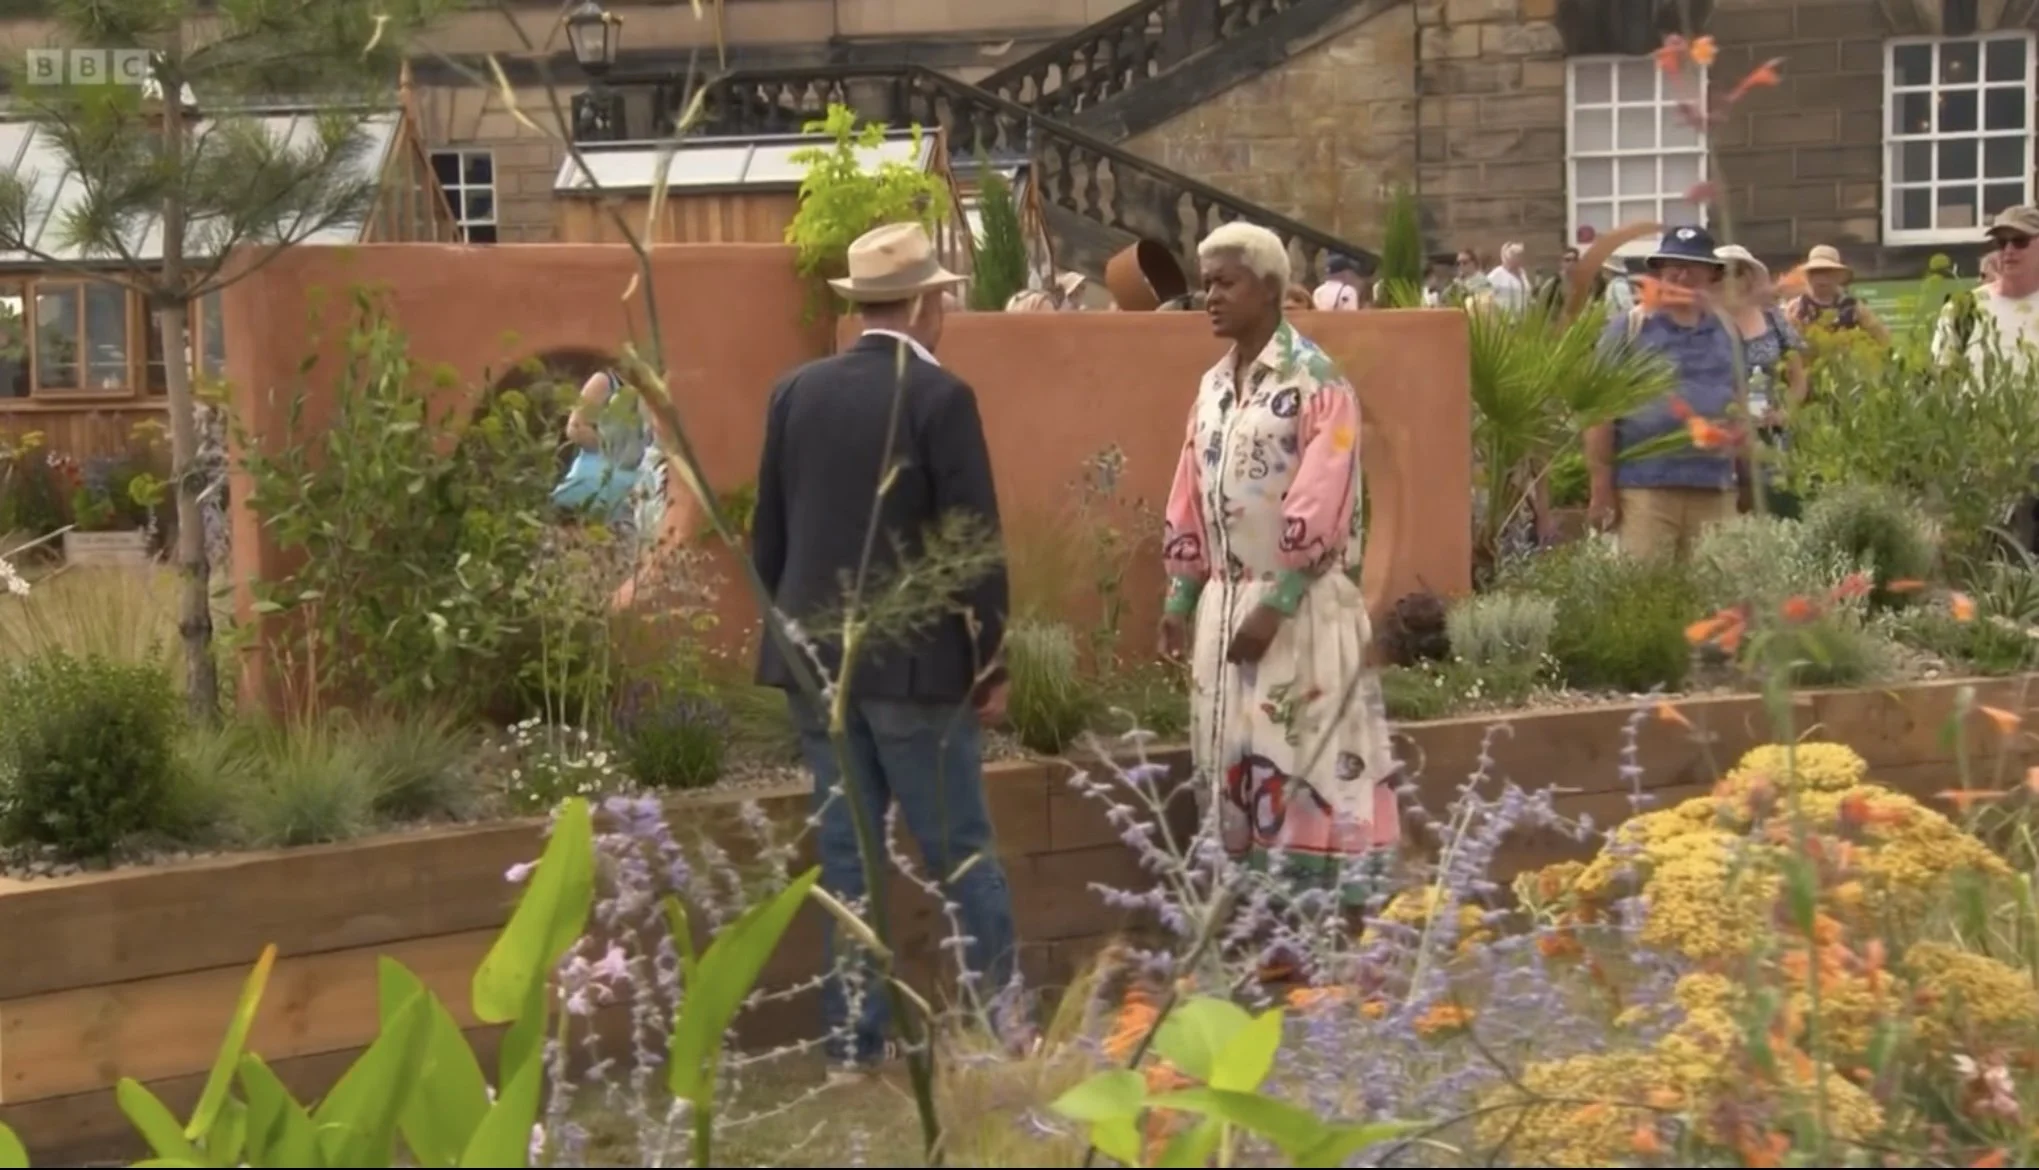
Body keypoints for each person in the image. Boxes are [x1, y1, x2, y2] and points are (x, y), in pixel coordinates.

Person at [749, 221, 1018, 1073]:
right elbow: (972, 545)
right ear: (930, 304)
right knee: (960, 852)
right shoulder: (942, 399)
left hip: (815, 663)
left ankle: (850, 1049)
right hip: (913, 667)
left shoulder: (795, 391)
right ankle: (994, 1029)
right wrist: (991, 658)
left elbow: (770, 537)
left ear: (863, 304)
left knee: (848, 860)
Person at [1158, 221, 1402, 934]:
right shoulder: (1211, 388)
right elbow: (1187, 487)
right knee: (1231, 764)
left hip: (1296, 614)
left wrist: (1281, 600)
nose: (1209, 297)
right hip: (1223, 608)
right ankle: (1257, 931)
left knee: (1303, 763)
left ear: (1268, 289)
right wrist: (1181, 590)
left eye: (1224, 283)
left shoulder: (1318, 384)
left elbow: (1325, 491)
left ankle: (1325, 937)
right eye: (1205, 283)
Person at [1586, 225, 1741, 560]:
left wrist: (1744, 478)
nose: (1683, 276)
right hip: (1645, 488)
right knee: (1646, 597)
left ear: (1712, 275)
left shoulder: (1728, 331)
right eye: (1673, 267)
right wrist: (1600, 490)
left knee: (1717, 598)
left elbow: (1739, 406)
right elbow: (1599, 413)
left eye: (1693, 267)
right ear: (1658, 273)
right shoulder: (1628, 329)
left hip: (1715, 488)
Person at [1715, 244, 1808, 517]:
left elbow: (1798, 377)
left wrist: (1785, 411)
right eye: (1721, 273)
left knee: (1778, 508)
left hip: (1772, 433)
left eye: (1735, 272)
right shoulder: (1703, 323)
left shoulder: (1772, 318)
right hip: (1723, 434)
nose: (1728, 280)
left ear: (1748, 277)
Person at [1786, 245, 1890, 344]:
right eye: (1816, 272)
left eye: (1827, 272)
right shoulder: (1796, 308)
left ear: (1838, 276)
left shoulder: (1853, 307)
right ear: (1808, 276)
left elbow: (1881, 336)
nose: (1821, 279)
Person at [1485, 242, 1532, 316]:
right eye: (1517, 255)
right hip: (1504, 318)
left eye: (1520, 255)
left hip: (1523, 318)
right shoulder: (1497, 274)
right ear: (1508, 257)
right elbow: (1485, 294)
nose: (1520, 259)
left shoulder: (1522, 273)